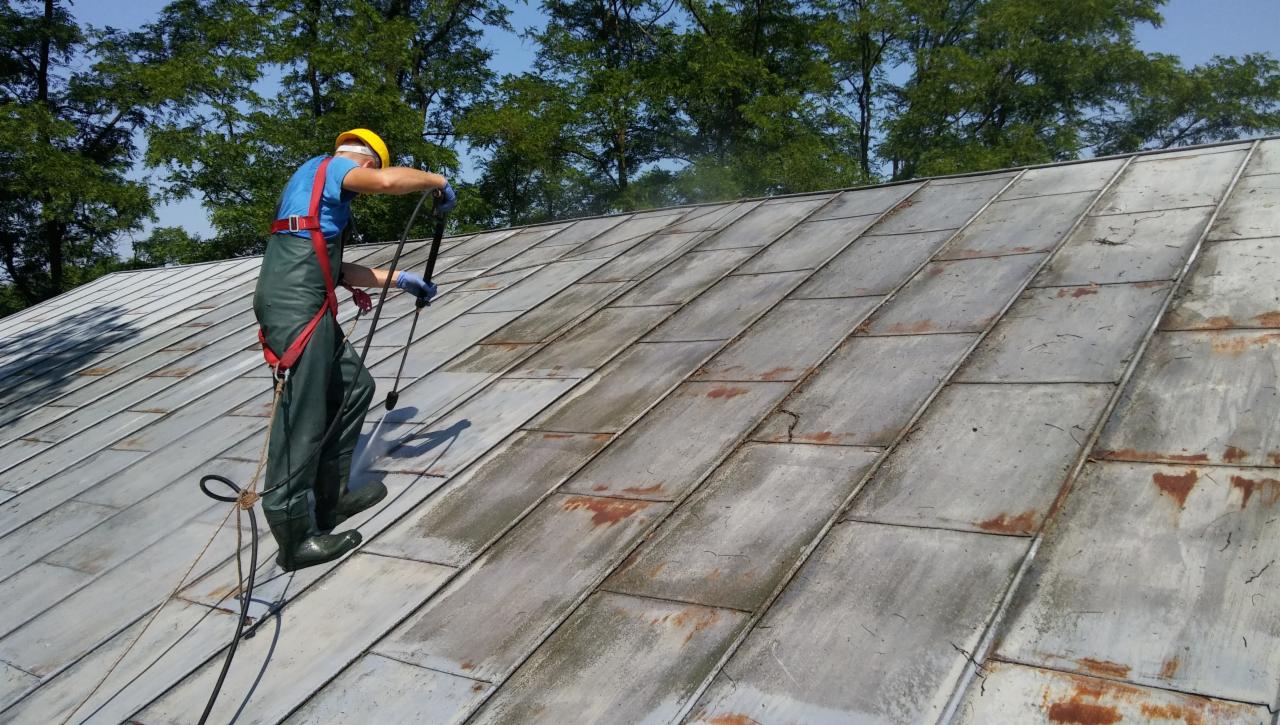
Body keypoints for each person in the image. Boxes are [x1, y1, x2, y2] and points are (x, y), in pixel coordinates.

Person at [253, 128, 456, 571]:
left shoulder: (315, 200)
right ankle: (294, 538)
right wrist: (435, 180)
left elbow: (337, 267)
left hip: (311, 300)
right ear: (365, 164)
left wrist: (401, 280)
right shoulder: (328, 168)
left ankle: (333, 499)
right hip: (293, 304)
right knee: (303, 415)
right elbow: (386, 184)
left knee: (353, 387)